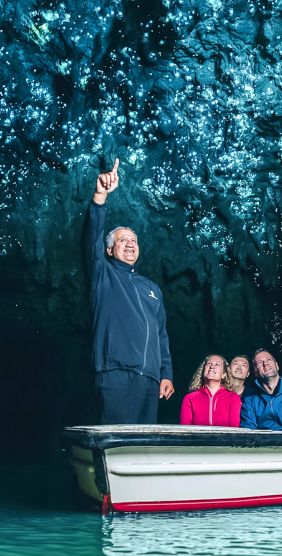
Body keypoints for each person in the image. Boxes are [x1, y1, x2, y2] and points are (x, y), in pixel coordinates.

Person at [85, 158, 174, 424]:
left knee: (142, 444)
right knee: (116, 441)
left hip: (149, 378)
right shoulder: (103, 273)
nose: (130, 244)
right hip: (115, 373)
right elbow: (92, 238)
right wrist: (100, 197)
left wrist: (165, 373)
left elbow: (161, 335)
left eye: (134, 241)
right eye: (123, 240)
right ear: (109, 249)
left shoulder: (152, 289)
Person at [179, 354, 242, 427]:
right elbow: (185, 430)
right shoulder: (190, 398)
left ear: (224, 374)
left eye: (217, 365)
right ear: (203, 371)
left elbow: (234, 429)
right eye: (209, 364)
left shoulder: (233, 398)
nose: (212, 367)